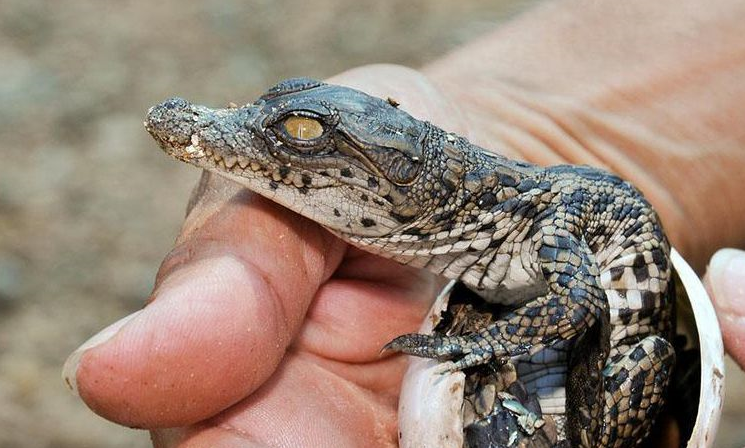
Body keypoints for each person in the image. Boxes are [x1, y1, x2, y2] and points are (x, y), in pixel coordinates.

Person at [63, 0, 745, 446]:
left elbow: (577, 300)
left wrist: (475, 351)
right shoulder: (486, 220)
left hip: (632, 361)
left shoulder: (533, 223)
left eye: (299, 133)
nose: (216, 127)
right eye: (294, 118)